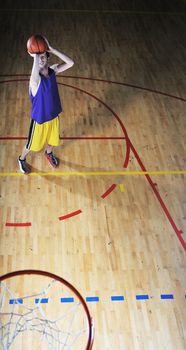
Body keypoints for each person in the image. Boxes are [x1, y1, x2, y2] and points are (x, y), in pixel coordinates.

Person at [18, 37, 74, 174]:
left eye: (43, 57)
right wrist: (35, 57)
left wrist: (52, 49)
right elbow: (34, 75)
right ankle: (21, 159)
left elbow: (70, 63)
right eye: (39, 58)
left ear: (47, 58)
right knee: (32, 145)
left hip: (54, 116)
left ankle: (48, 154)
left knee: (52, 141)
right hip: (39, 120)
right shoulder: (34, 81)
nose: (41, 60)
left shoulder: (53, 71)